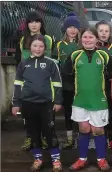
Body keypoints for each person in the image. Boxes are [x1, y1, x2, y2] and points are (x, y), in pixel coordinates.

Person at [64, 28, 112, 171]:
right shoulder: (74, 55)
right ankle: (82, 159)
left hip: (99, 99)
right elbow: (66, 75)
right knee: (84, 129)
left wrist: (108, 94)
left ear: (97, 39)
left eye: (91, 37)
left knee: (98, 130)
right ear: (81, 39)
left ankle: (101, 159)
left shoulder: (104, 55)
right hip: (80, 100)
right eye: (84, 37)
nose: (87, 40)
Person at [12, 34, 63, 171]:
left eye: (41, 46)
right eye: (35, 45)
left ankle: (56, 160)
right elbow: (18, 84)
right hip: (28, 103)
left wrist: (58, 101)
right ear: (30, 47)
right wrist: (16, 103)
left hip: (46, 104)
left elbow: (57, 84)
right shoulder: (23, 64)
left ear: (45, 48)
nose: (38, 48)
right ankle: (38, 159)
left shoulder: (50, 63)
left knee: (49, 131)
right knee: (33, 132)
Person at [15, 10, 55, 151]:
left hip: (44, 84)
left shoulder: (48, 39)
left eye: (37, 21)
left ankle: (45, 138)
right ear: (27, 24)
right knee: (28, 115)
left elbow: (51, 61)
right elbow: (19, 61)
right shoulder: (22, 39)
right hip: (28, 84)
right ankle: (29, 137)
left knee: (46, 117)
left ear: (41, 24)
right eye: (31, 22)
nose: (34, 24)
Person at [95, 20, 112, 154]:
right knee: (98, 114)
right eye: (101, 31)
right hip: (95, 87)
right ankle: (101, 139)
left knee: (110, 114)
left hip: (110, 87)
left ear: (110, 33)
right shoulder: (92, 47)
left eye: (106, 31)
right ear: (96, 32)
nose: (103, 33)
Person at [57, 12, 81, 150]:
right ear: (65, 28)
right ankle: (69, 138)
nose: (72, 30)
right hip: (65, 84)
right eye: (69, 27)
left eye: (75, 27)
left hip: (79, 84)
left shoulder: (81, 44)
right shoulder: (60, 45)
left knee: (79, 112)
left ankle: (80, 136)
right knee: (68, 112)